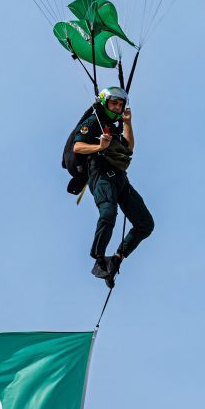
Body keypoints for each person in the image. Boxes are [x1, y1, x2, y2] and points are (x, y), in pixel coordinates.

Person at [72, 87, 154, 287]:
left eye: (120, 104)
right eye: (114, 103)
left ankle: (117, 258)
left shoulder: (115, 128)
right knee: (108, 213)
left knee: (145, 223)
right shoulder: (94, 122)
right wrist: (99, 147)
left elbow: (128, 148)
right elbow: (77, 146)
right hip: (101, 176)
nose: (117, 108)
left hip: (120, 179)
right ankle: (99, 259)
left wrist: (127, 122)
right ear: (104, 102)